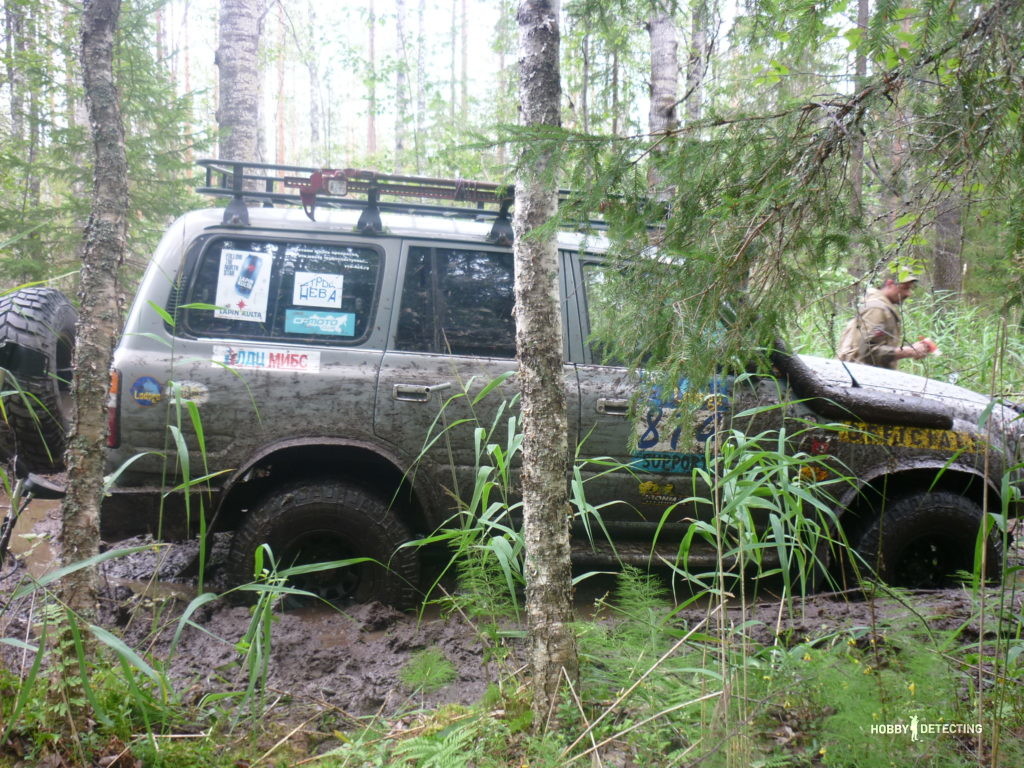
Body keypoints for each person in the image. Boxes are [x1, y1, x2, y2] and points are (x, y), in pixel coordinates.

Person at [837, 273, 934, 370]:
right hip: (860, 375)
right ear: (889, 284)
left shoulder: (883, 308)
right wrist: (909, 351)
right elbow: (866, 351)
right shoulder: (876, 309)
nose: (908, 293)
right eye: (905, 288)